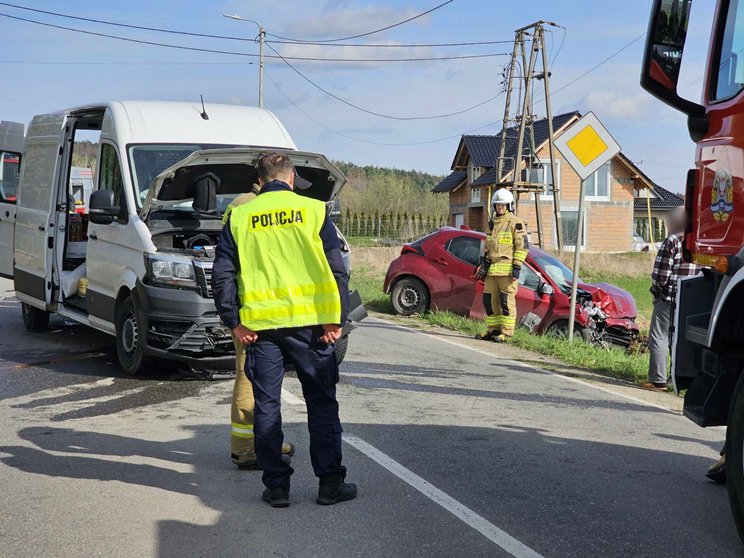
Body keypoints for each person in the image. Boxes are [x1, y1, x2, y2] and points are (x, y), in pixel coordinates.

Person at [212, 152, 356, 508]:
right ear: (291, 178)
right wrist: (336, 319)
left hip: (261, 329)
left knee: (267, 405)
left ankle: (277, 487)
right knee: (321, 404)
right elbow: (337, 269)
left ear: (260, 181)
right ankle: (329, 485)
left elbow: (222, 274)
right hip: (311, 327)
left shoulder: (240, 216)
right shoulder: (314, 210)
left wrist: (235, 321)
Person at [221, 185, 295, 470]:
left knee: (257, 376)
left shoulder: (241, 203)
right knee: (249, 377)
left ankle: (266, 442)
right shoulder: (256, 206)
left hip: (252, 304)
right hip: (257, 307)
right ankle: (246, 449)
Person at [643, 207, 701, 391]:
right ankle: (675, 379)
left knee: (659, 336)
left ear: (675, 223)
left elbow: (661, 274)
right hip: (690, 300)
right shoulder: (698, 241)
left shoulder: (672, 241)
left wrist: (655, 292)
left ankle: (657, 379)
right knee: (678, 339)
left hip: (668, 297)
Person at [474, 188, 528, 343]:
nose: (500, 207)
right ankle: (493, 330)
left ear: (509, 205)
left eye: (503, 205)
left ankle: (507, 332)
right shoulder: (492, 225)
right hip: (492, 272)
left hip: (507, 273)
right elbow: (487, 247)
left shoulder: (515, 223)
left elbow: (522, 246)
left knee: (506, 302)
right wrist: (482, 264)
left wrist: (517, 267)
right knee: (489, 301)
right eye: (497, 205)